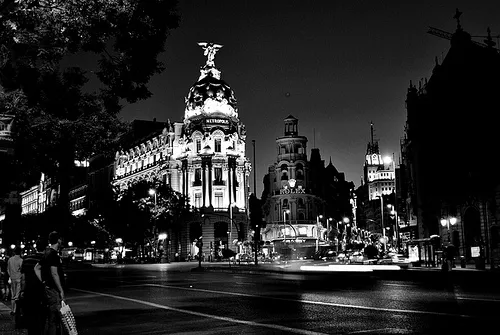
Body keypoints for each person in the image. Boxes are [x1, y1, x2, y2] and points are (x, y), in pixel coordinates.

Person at [35, 232, 65, 335]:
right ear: (59, 241)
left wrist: (43, 281)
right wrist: (61, 290)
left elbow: (36, 268)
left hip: (47, 288)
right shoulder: (54, 255)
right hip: (53, 290)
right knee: (54, 318)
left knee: (50, 318)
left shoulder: (47, 253)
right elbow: (54, 273)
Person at [21, 240, 47, 334]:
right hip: (41, 290)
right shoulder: (45, 258)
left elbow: (23, 278)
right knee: (42, 315)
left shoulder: (26, 259)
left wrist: (22, 291)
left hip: (29, 289)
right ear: (45, 247)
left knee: (31, 315)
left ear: (36, 247)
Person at [7, 246, 23, 316]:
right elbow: (22, 270)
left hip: (12, 277)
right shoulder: (21, 260)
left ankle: (12, 309)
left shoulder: (10, 259)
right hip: (19, 278)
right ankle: (16, 310)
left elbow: (8, 269)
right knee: (17, 295)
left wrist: (10, 275)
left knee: (12, 295)